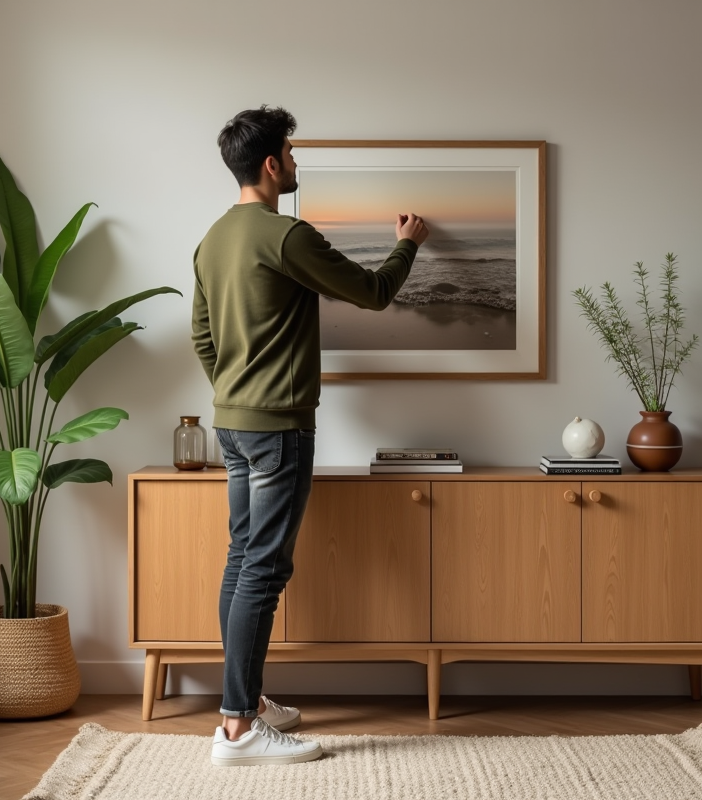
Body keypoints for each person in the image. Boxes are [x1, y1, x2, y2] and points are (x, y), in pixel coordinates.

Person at [193, 106, 429, 766]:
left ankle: (246, 699)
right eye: (292, 155)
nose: (296, 165)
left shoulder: (213, 240)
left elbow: (203, 338)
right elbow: (376, 292)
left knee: (243, 561)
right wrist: (408, 240)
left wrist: (237, 389)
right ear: (271, 165)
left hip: (233, 425)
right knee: (263, 570)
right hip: (277, 429)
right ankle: (238, 729)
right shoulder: (286, 235)